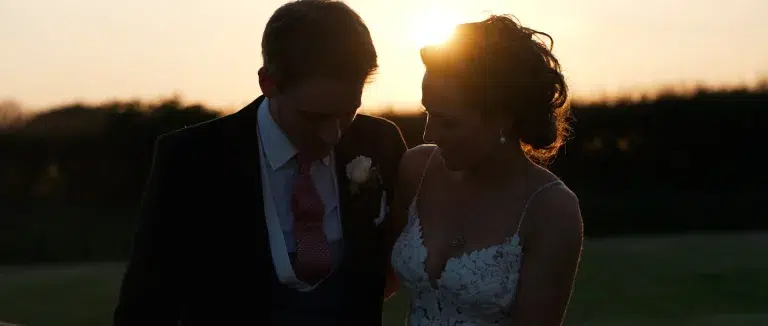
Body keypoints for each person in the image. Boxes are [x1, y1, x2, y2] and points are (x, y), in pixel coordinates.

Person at [113, 1, 407, 325]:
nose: (333, 135)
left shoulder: (380, 142)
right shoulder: (192, 157)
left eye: (348, 111)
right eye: (315, 116)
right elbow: (146, 300)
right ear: (268, 83)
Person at [390, 15, 584, 325]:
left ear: (502, 118)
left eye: (448, 121)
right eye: (428, 113)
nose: (429, 134)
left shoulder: (550, 209)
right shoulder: (417, 169)